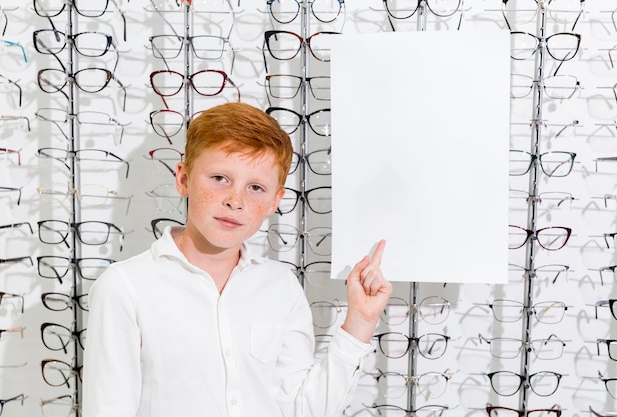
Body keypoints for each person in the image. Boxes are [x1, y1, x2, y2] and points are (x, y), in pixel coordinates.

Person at [82, 102, 392, 417]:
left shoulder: (280, 286)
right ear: (184, 178)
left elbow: (304, 409)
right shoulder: (125, 288)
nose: (235, 201)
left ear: (275, 200)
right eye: (219, 178)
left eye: (255, 187)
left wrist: (361, 322)